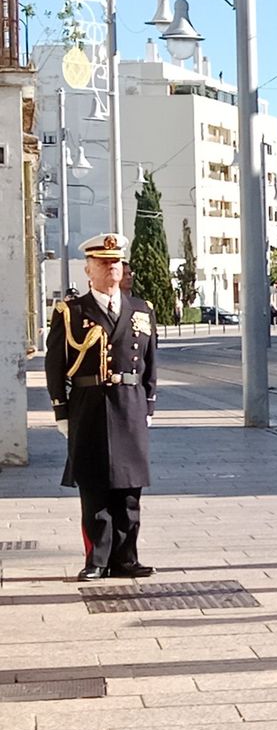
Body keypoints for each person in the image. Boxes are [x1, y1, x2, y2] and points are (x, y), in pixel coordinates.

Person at [45, 233, 159, 581]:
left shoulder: (141, 309)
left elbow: (151, 362)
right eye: (104, 263)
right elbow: (55, 365)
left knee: (128, 490)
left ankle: (127, 558)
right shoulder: (71, 312)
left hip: (129, 404)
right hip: (88, 404)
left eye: (116, 262)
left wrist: (149, 403)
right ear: (88, 270)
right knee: (94, 486)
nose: (112, 268)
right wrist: (61, 410)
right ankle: (97, 559)